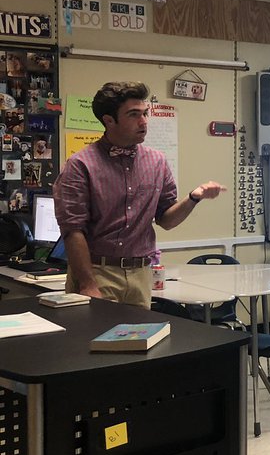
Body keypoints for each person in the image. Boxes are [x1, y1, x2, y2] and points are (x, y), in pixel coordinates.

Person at [52, 81, 225, 308]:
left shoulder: (156, 161)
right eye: (134, 115)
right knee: (95, 342)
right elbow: (73, 230)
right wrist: (87, 283)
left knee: (138, 342)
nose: (143, 122)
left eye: (145, 113)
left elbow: (166, 220)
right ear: (109, 120)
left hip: (141, 274)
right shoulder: (81, 164)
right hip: (98, 272)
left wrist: (194, 197)